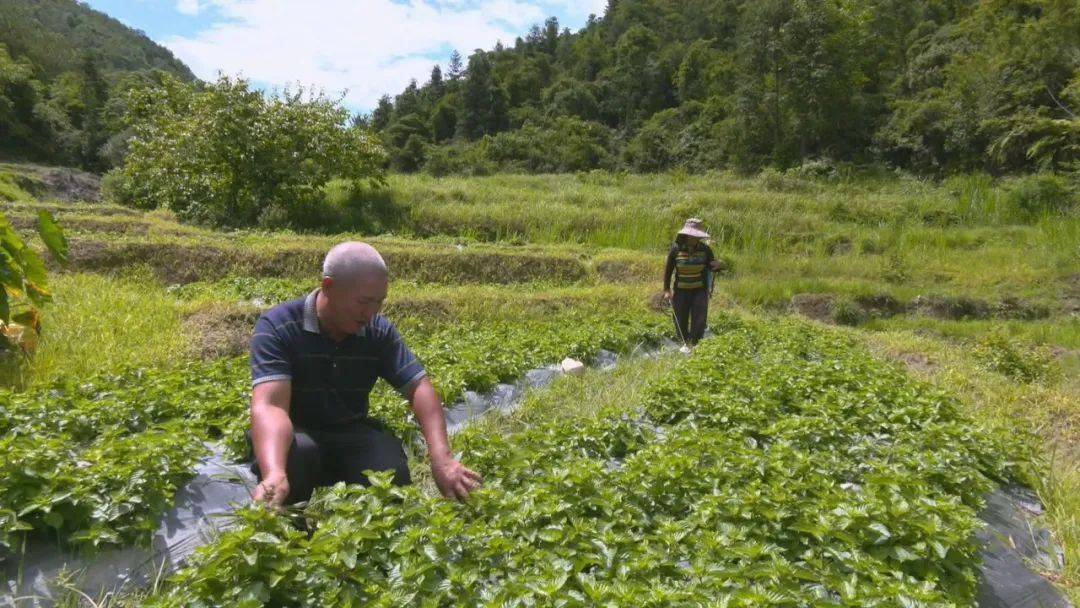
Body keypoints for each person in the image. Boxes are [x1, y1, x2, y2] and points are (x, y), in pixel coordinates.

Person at [248, 241, 481, 506]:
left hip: (349, 431)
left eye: (379, 303)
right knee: (297, 457)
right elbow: (270, 406)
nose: (370, 313)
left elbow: (419, 388)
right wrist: (274, 472)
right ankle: (292, 533)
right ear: (329, 287)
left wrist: (442, 459)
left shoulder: (377, 331)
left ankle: (375, 537)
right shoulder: (279, 326)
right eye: (363, 302)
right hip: (295, 435)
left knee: (389, 469)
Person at [662, 218, 722, 350]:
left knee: (699, 320)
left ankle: (694, 345)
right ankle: (683, 343)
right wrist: (667, 290)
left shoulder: (705, 250)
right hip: (681, 290)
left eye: (696, 236)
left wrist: (717, 266)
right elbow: (668, 271)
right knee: (680, 319)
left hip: (699, 290)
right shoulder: (675, 249)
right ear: (686, 234)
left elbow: (711, 266)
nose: (694, 238)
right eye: (692, 235)